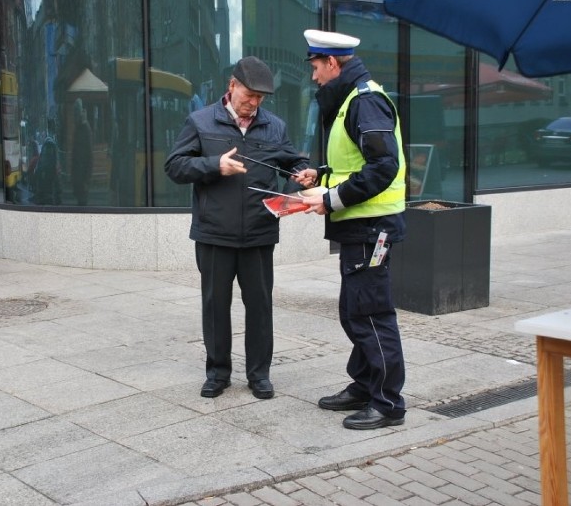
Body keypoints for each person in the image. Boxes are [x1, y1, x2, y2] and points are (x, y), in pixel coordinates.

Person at [165, 56, 310, 400]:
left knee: (259, 306)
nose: (253, 103)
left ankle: (259, 374)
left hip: (260, 232)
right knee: (215, 306)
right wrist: (215, 165)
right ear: (231, 86)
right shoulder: (201, 122)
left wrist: (305, 171)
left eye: (260, 98)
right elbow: (175, 166)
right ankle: (217, 373)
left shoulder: (273, 126)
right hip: (214, 233)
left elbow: (293, 159)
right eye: (249, 95)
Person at [293, 29, 408, 430]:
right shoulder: (353, 99)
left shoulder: (366, 101)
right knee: (353, 310)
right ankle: (364, 384)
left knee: (371, 314)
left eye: (315, 68)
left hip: (372, 226)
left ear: (333, 63)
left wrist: (329, 199)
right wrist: (321, 176)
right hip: (361, 226)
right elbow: (355, 164)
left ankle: (388, 402)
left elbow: (382, 167)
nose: (313, 77)